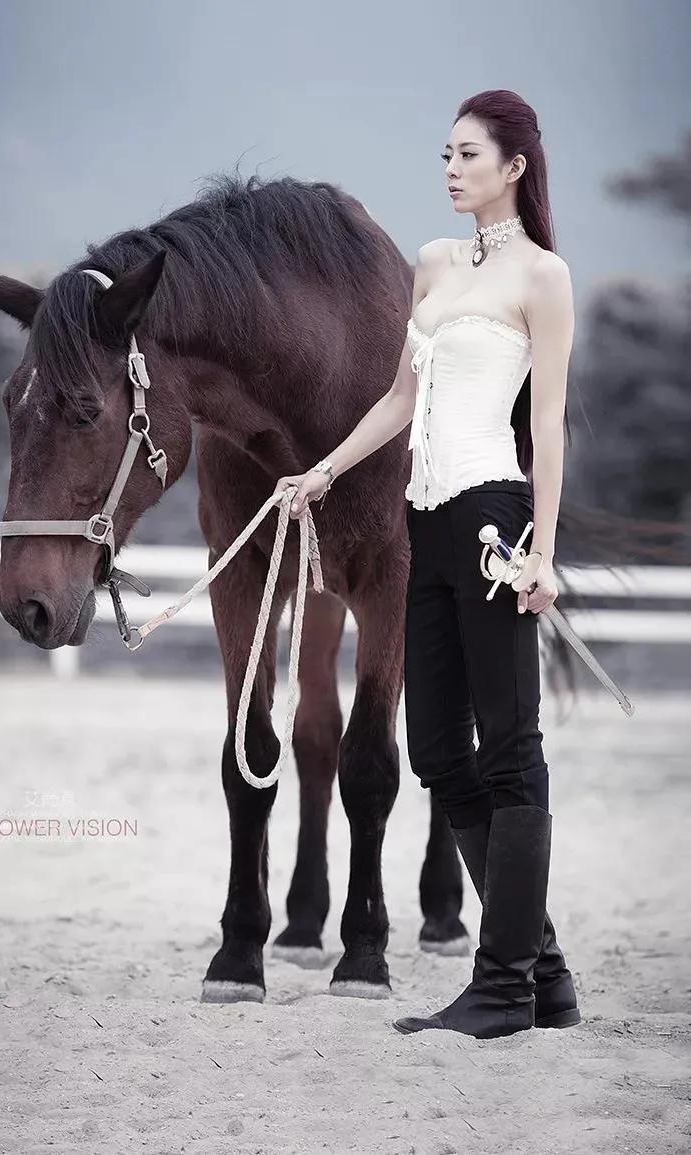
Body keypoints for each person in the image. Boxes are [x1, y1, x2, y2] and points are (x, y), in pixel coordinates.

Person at [274, 89, 581, 1039]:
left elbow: (544, 425)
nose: (450, 169)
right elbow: (402, 398)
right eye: (445, 154)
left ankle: (503, 984)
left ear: (514, 167)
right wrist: (323, 471)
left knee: (510, 747)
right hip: (425, 522)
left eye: (467, 155)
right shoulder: (435, 263)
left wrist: (543, 553)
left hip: (495, 521)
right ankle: (545, 973)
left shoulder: (544, 277)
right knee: (439, 750)